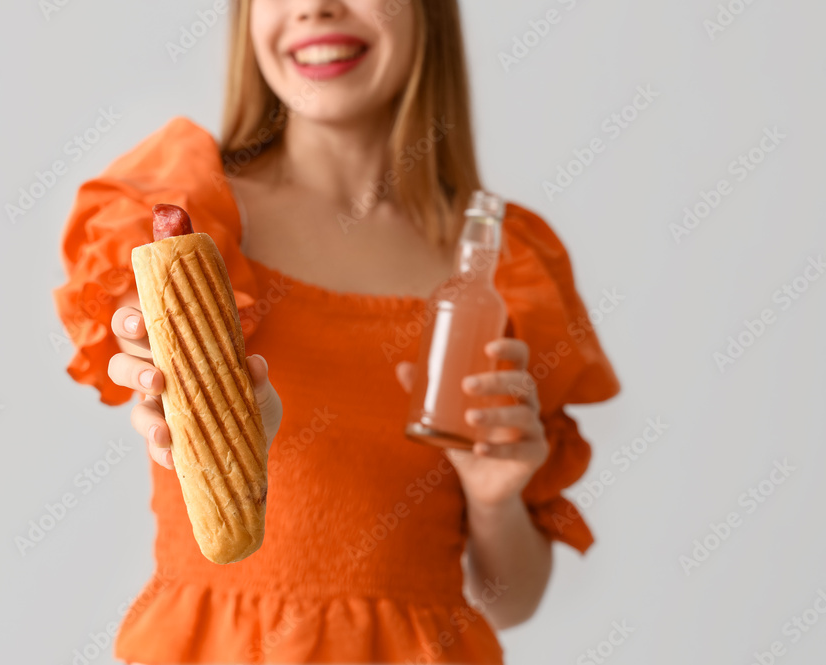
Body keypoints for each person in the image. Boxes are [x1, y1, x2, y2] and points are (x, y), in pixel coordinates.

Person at [52, 0, 620, 662]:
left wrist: (496, 497)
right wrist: (181, 399)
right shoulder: (187, 210)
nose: (316, 6)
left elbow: (512, 597)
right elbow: (152, 349)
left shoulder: (495, 263)